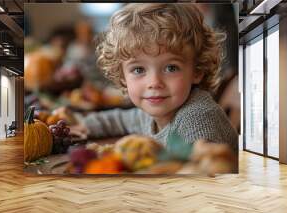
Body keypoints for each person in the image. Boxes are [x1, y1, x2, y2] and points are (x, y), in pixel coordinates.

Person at [71, 3, 238, 157]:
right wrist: (85, 125)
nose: (154, 82)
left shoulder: (197, 118)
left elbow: (200, 176)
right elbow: (121, 119)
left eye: (171, 68)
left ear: (197, 71)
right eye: (138, 70)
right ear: (123, 77)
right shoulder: (152, 113)